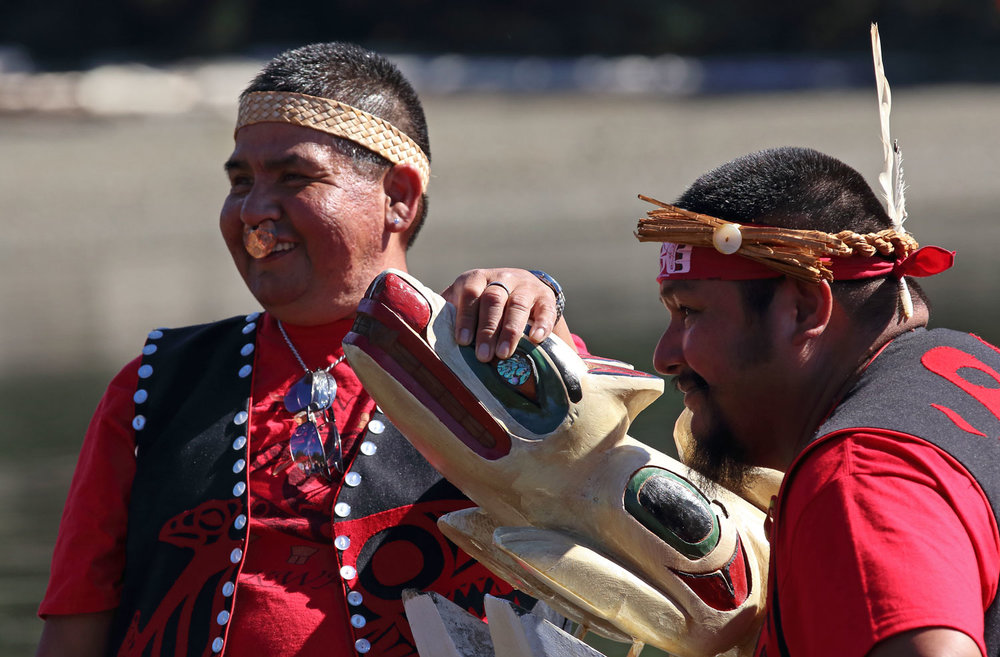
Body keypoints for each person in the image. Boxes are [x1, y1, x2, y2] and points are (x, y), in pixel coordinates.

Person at [35, 41, 571, 657]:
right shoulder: (152, 388)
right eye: (241, 182)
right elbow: (76, 620)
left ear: (398, 198)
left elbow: (628, 542)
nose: (255, 212)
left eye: (294, 178)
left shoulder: (498, 362)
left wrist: (535, 312)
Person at [635, 146, 1000, 657]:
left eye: (690, 311)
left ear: (805, 307)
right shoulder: (975, 363)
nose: (664, 357)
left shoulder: (859, 479)